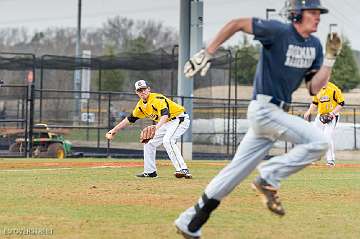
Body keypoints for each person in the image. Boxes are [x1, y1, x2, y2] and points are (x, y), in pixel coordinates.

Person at [174, 0, 342, 238]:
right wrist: (208, 51)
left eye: (319, 13)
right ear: (296, 14)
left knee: (235, 172)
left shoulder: (314, 45)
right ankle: (269, 176)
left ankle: (190, 222)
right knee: (320, 143)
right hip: (264, 109)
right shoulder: (279, 31)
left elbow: (315, 88)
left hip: (275, 115)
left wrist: (330, 59)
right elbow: (237, 24)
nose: (318, 17)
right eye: (312, 13)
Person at [105, 80, 192, 179]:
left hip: (179, 119)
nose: (142, 92)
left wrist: (156, 127)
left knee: (168, 140)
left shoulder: (156, 99)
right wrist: (114, 130)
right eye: (139, 90)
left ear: (148, 89)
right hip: (167, 122)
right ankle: (150, 172)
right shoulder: (141, 106)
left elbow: (165, 115)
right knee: (149, 142)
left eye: (144, 89)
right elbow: (129, 119)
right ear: (136, 92)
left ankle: (183, 169)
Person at [304, 81, 345, 166]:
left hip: (333, 115)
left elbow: (341, 103)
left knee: (327, 136)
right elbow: (315, 103)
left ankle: (331, 160)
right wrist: (308, 111)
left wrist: (332, 113)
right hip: (321, 115)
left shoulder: (333, 89)